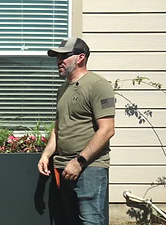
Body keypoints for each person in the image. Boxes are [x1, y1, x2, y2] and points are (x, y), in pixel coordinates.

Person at [37, 38, 115, 225]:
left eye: (64, 56)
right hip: (63, 167)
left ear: (80, 57)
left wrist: (79, 162)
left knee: (90, 221)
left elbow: (107, 129)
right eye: (57, 57)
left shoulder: (98, 85)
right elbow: (59, 127)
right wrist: (46, 155)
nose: (59, 61)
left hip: (89, 168)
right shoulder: (63, 89)